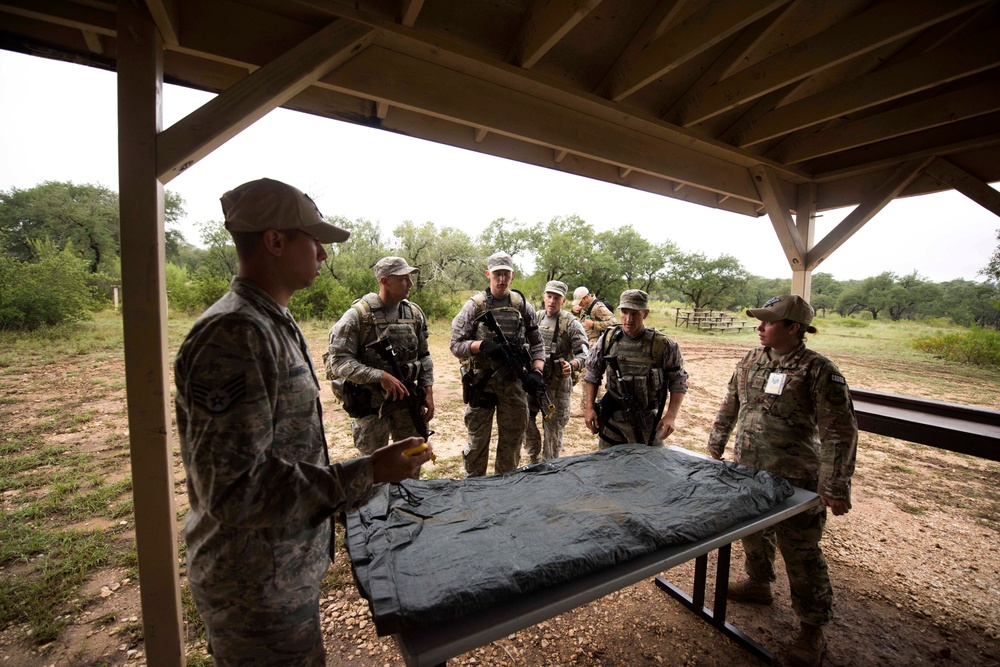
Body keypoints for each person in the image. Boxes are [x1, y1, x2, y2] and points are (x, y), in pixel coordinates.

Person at [174, 178, 432, 666]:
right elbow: (234, 492)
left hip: (282, 566)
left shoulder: (272, 321)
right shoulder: (235, 334)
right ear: (274, 241)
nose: (324, 254)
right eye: (313, 240)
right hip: (254, 585)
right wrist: (368, 472)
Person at [706, 294, 858, 667]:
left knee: (801, 553)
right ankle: (759, 583)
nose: (759, 327)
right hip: (748, 470)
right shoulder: (751, 360)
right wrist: (715, 443)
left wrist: (835, 485)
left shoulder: (818, 370)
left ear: (793, 328)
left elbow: (840, 431)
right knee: (751, 531)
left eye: (768, 322)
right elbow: (731, 402)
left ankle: (812, 629)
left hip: (795, 480)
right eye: (760, 321)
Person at [450, 251, 546, 476]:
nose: (501, 279)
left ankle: (505, 492)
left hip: (513, 385)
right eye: (497, 274)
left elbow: (537, 344)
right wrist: (480, 345)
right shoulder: (475, 305)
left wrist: (537, 372)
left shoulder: (522, 306)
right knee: (477, 445)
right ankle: (474, 491)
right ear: (488, 275)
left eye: (505, 274)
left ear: (512, 274)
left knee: (512, 445)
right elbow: (455, 345)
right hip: (482, 383)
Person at [325, 256, 434, 454]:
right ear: (384, 281)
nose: (410, 283)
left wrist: (428, 390)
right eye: (403, 278)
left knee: (413, 459)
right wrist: (380, 376)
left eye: (409, 278)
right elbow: (338, 361)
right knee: (375, 466)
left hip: (407, 402)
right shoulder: (358, 316)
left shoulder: (414, 314)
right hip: (372, 405)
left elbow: (424, 356)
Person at [584, 289, 687, 447]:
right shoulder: (609, 339)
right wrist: (589, 408)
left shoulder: (662, 345)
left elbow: (678, 381)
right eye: (624, 312)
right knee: (607, 468)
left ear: (645, 314)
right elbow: (592, 372)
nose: (628, 319)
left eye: (635, 313)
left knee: (649, 468)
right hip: (612, 421)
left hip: (645, 422)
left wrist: (671, 415)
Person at [523, 280, 589, 463]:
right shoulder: (534, 318)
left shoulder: (571, 323)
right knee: (525, 420)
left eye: (556, 298)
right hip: (534, 381)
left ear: (564, 300)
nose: (552, 301)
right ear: (544, 297)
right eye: (549, 296)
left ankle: (549, 465)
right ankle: (533, 459)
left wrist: (574, 364)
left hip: (557, 386)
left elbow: (584, 352)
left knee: (553, 429)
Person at [572, 286, 618, 409]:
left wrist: (594, 325)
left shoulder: (598, 307)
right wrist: (575, 312)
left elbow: (614, 322)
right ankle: (597, 399)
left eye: (581, 301)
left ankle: (585, 407)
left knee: (585, 375)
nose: (580, 304)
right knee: (592, 374)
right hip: (585, 342)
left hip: (594, 344)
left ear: (587, 298)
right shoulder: (585, 307)